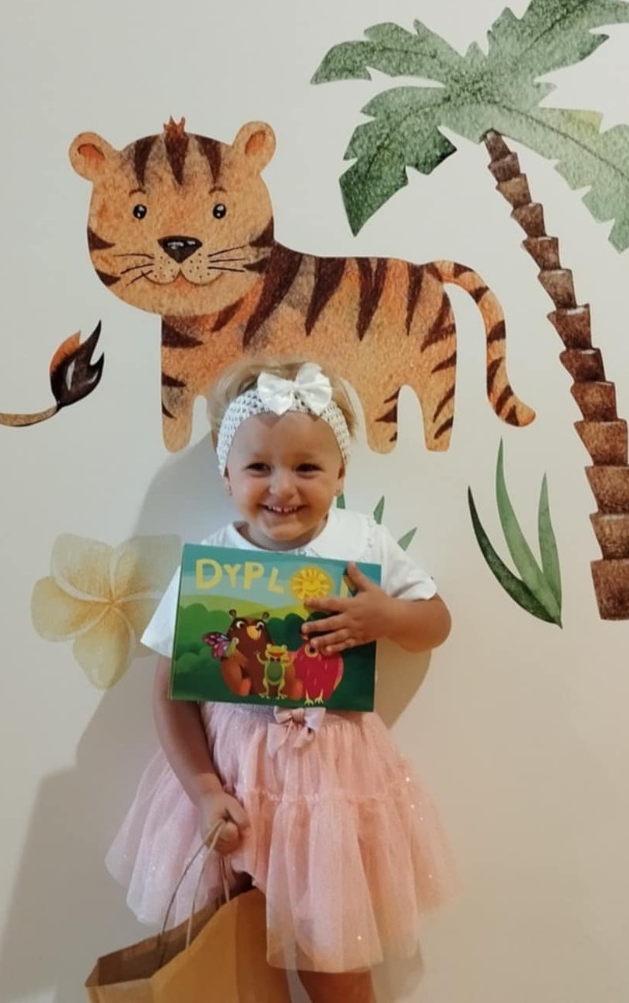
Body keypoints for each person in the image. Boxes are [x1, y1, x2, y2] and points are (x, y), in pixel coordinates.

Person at [106, 357, 458, 1003]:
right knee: (234, 956)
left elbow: (435, 622)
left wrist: (386, 617)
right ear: (227, 474)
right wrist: (203, 791)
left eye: (306, 467)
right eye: (259, 468)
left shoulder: (363, 542)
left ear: (341, 473)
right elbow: (169, 691)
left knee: (335, 962)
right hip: (234, 781)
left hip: (333, 788)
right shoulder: (213, 561)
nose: (282, 488)